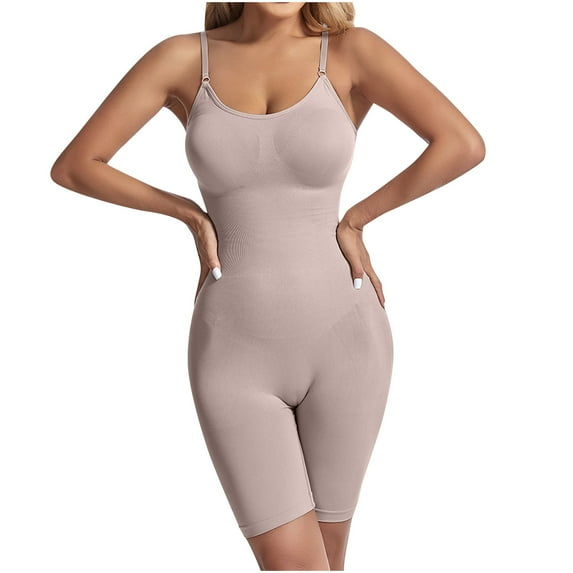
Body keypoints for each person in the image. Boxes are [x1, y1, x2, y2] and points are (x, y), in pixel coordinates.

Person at [50, 2, 485, 570]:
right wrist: (187, 213)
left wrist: (357, 219)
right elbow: (77, 164)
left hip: (348, 343)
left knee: (327, 559)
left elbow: (461, 143)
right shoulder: (183, 59)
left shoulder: (351, 52)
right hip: (232, 351)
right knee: (293, 563)